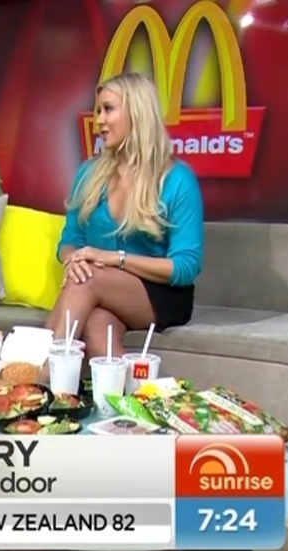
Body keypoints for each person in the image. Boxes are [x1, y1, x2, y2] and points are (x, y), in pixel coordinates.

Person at [47, 72, 204, 360]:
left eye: (108, 109)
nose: (99, 121)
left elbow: (185, 266)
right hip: (102, 285)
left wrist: (114, 258)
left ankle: (40, 373)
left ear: (136, 112)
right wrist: (74, 260)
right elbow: (70, 240)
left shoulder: (177, 179)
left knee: (88, 278)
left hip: (160, 294)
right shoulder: (88, 174)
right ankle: (134, 390)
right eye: (98, 111)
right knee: (97, 331)